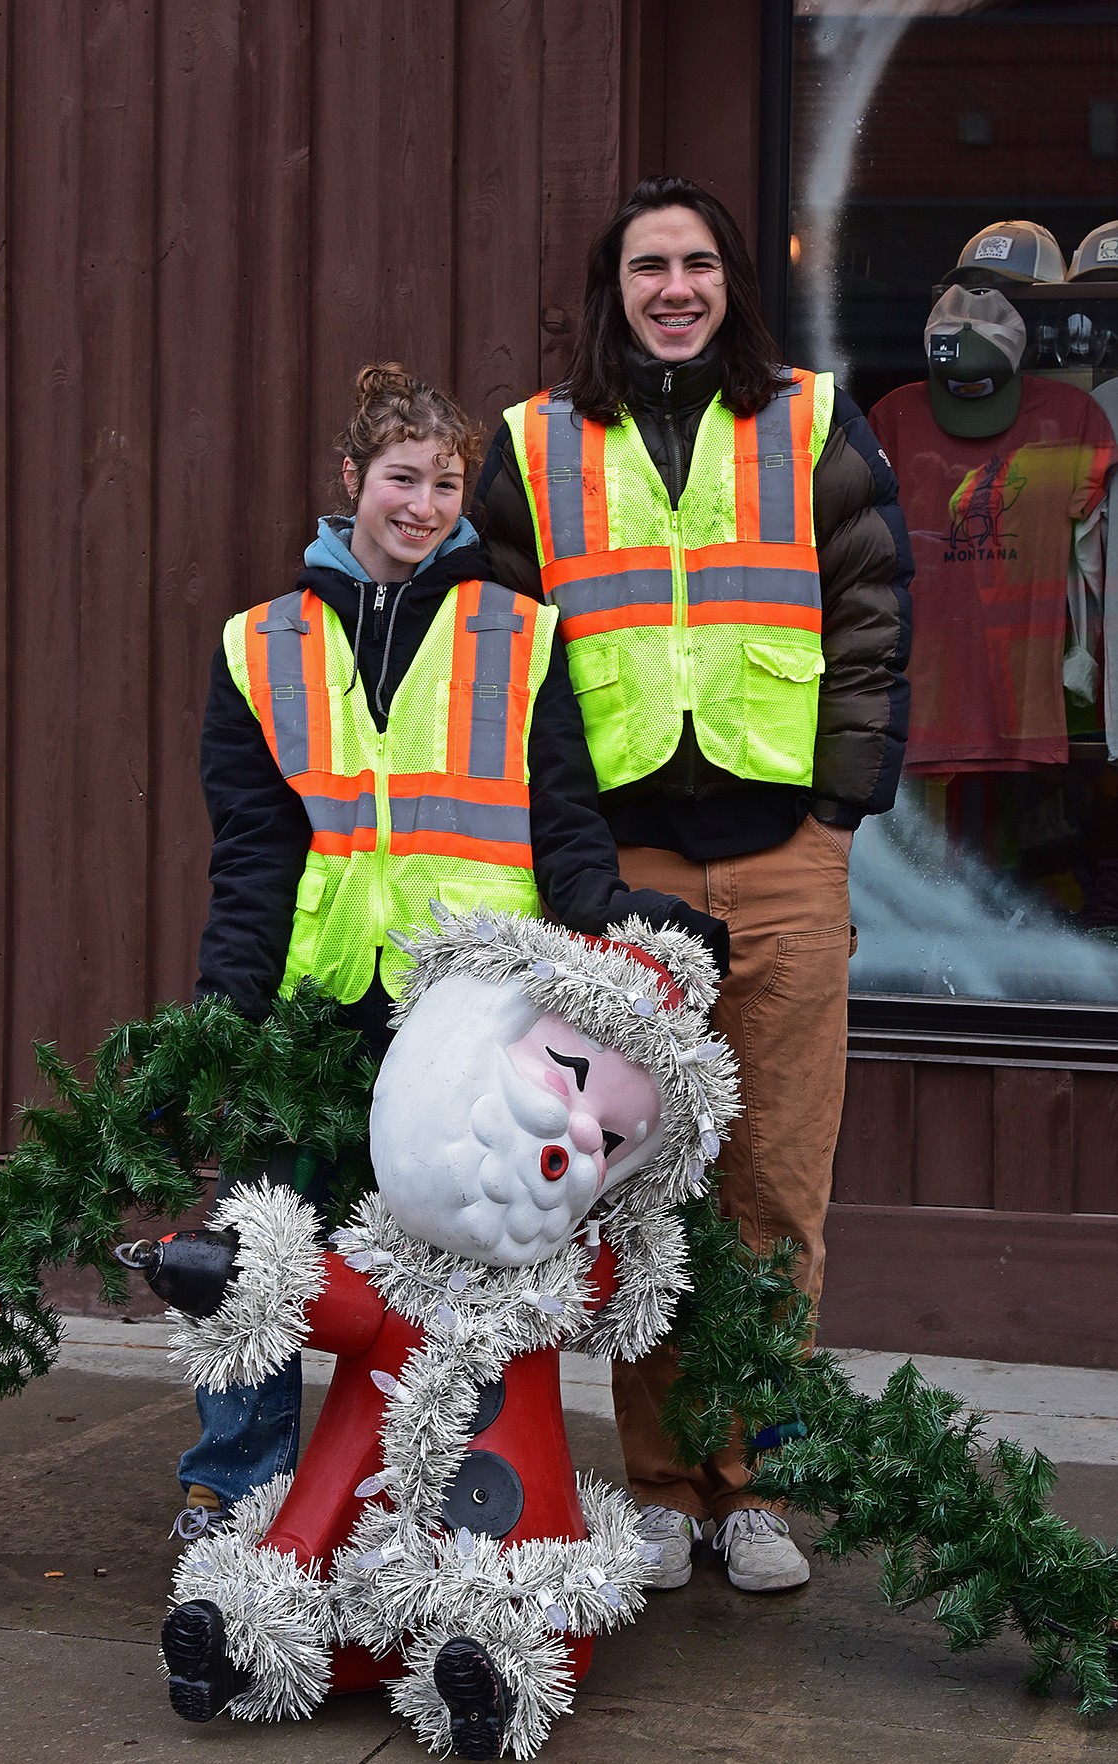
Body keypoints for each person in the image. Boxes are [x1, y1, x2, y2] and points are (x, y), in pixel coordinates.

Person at [175, 361, 729, 1531]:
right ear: (349, 481)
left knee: (462, 1271)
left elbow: (564, 822)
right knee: (266, 1240)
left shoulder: (520, 635)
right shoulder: (258, 645)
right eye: (400, 477)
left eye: (444, 482)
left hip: (467, 1013)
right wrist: (223, 1014)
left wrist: (625, 916)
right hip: (315, 996)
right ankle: (237, 1488)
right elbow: (253, 859)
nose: (422, 504)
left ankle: (443, 1495)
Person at [480, 176, 913, 1594]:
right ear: (611, 288)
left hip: (783, 854)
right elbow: (505, 660)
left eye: (697, 264)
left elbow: (869, 605)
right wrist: (572, 864)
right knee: (645, 1187)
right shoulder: (534, 445)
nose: (673, 287)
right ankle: (662, 1485)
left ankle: (756, 1488)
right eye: (646, 266)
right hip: (628, 876)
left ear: (732, 283)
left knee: (775, 1185)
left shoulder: (806, 415)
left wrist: (838, 808)